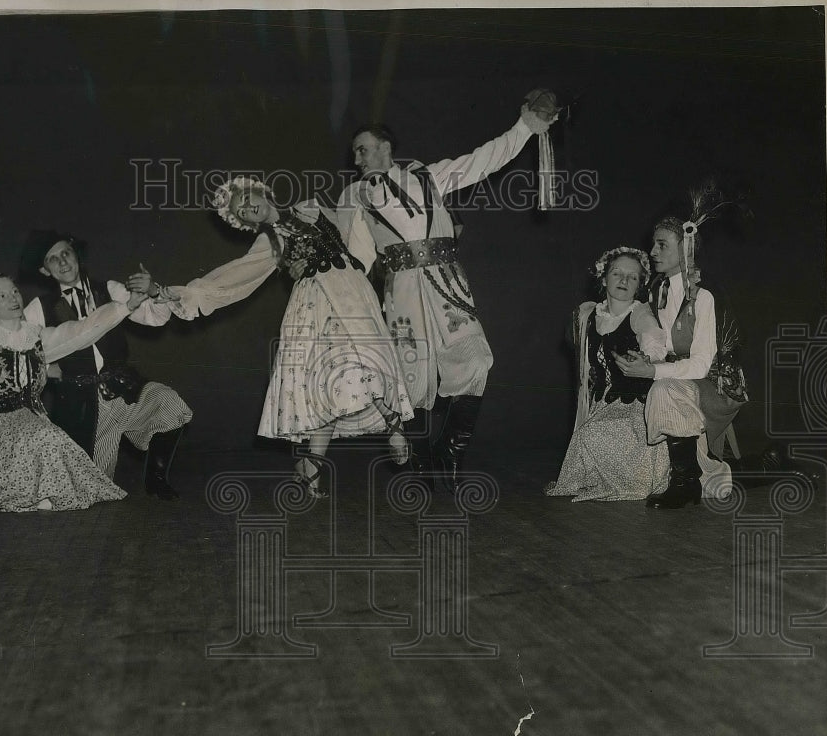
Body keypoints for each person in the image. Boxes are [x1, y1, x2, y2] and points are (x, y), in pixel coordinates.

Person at [337, 92, 558, 491]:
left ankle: (450, 451)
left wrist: (526, 126)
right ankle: (420, 460)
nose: (358, 160)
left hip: (446, 285)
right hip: (401, 292)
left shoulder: (428, 177)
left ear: (386, 149)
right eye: (355, 153)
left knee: (474, 360)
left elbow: (484, 159)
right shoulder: (354, 198)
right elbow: (354, 260)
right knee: (410, 375)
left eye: (364, 150)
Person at [163, 176, 414, 498]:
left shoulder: (311, 206)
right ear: (243, 222)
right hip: (315, 303)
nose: (250, 207)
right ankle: (326, 461)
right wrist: (176, 294)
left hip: (352, 290)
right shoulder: (269, 242)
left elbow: (356, 232)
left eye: (248, 198)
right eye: (242, 211)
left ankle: (329, 458)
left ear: (262, 191)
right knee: (330, 380)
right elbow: (233, 277)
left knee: (368, 359)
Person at [0, 273, 146, 511]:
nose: (13, 299)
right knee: (43, 438)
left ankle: (43, 493)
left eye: (14, 291)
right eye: (1, 296)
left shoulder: (35, 336)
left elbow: (80, 332)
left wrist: (126, 307)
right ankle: (35, 494)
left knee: (54, 440)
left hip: (33, 421)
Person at [21, 232, 193, 500]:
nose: (62, 262)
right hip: (83, 404)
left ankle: (156, 478)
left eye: (65, 253)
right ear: (45, 270)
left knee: (169, 402)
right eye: (53, 259)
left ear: (76, 255)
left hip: (125, 388)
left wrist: (152, 291)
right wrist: (47, 369)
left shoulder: (110, 289)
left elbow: (156, 318)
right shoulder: (38, 308)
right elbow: (26, 351)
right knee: (94, 492)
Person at [615, 217, 748, 508]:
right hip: (680, 378)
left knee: (662, 389)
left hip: (715, 383)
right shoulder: (658, 290)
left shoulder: (704, 296)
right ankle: (701, 475)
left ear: (686, 250)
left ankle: (684, 483)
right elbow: (665, 344)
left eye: (662, 245)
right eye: (654, 244)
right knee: (660, 388)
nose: (652, 251)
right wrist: (646, 359)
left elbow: (701, 364)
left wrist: (653, 371)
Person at [546, 248, 670, 501]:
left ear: (640, 285)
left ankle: (636, 479)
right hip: (604, 403)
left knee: (595, 433)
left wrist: (647, 360)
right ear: (603, 279)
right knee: (588, 433)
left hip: (638, 406)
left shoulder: (640, 315)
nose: (624, 281)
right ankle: (603, 478)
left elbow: (657, 349)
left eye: (632, 277)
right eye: (617, 273)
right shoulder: (587, 315)